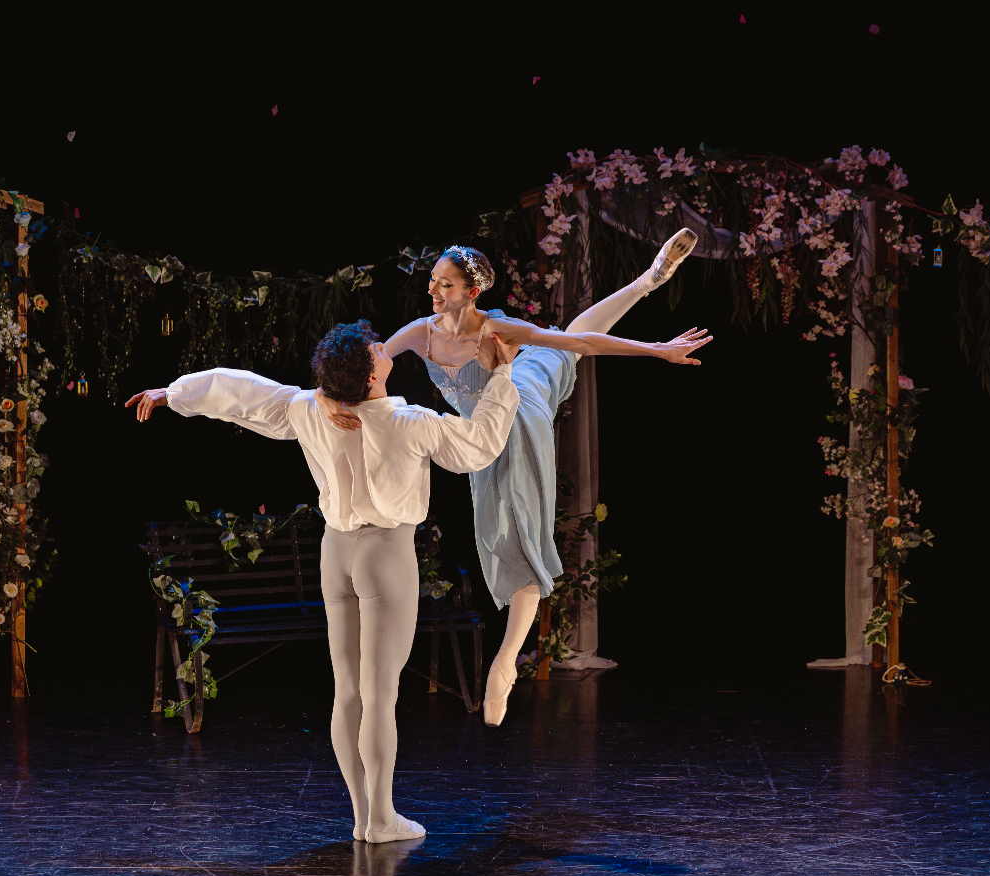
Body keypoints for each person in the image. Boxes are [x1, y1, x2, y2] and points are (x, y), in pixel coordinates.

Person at [126, 321, 520, 843]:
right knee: (379, 695)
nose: (385, 349)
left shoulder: (310, 409)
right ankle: (379, 817)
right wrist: (503, 375)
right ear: (373, 375)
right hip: (385, 553)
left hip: (336, 555)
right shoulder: (408, 421)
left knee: (349, 693)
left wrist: (172, 394)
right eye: (378, 350)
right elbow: (479, 445)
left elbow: (238, 392)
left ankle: (364, 816)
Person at [320, 229, 708, 726]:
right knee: (561, 354)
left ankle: (505, 664)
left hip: (515, 418)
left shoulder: (498, 333)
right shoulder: (422, 330)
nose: (434, 292)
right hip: (489, 419)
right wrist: (329, 396)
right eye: (433, 282)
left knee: (519, 531)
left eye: (446, 285)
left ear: (473, 291)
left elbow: (584, 341)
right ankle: (647, 280)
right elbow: (367, 363)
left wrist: (655, 350)